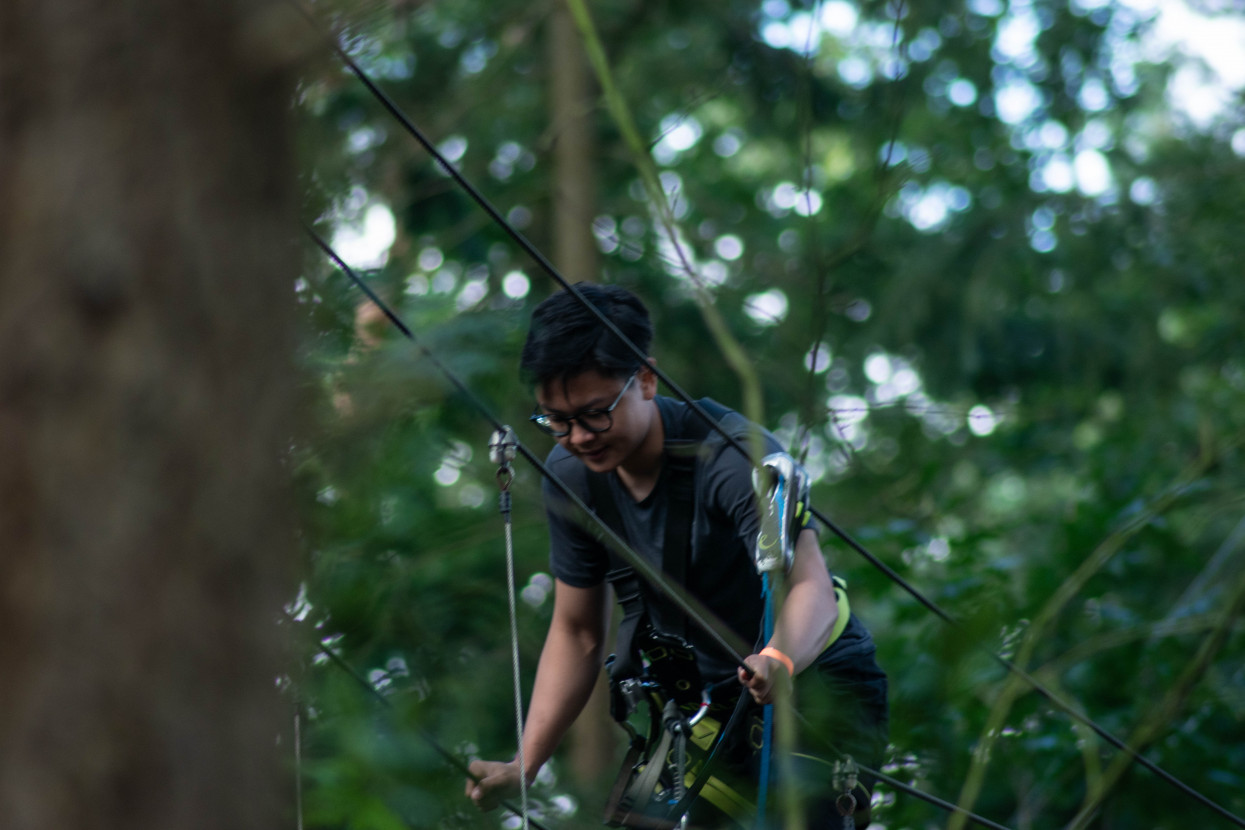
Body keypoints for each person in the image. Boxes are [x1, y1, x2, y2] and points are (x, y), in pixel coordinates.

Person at [467, 283, 888, 828]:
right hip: (704, 702)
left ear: (645, 377)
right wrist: (526, 763)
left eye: (594, 414)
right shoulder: (571, 478)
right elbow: (578, 631)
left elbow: (811, 588)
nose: (577, 437)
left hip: (815, 684)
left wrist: (779, 658)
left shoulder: (734, 459)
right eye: (556, 420)